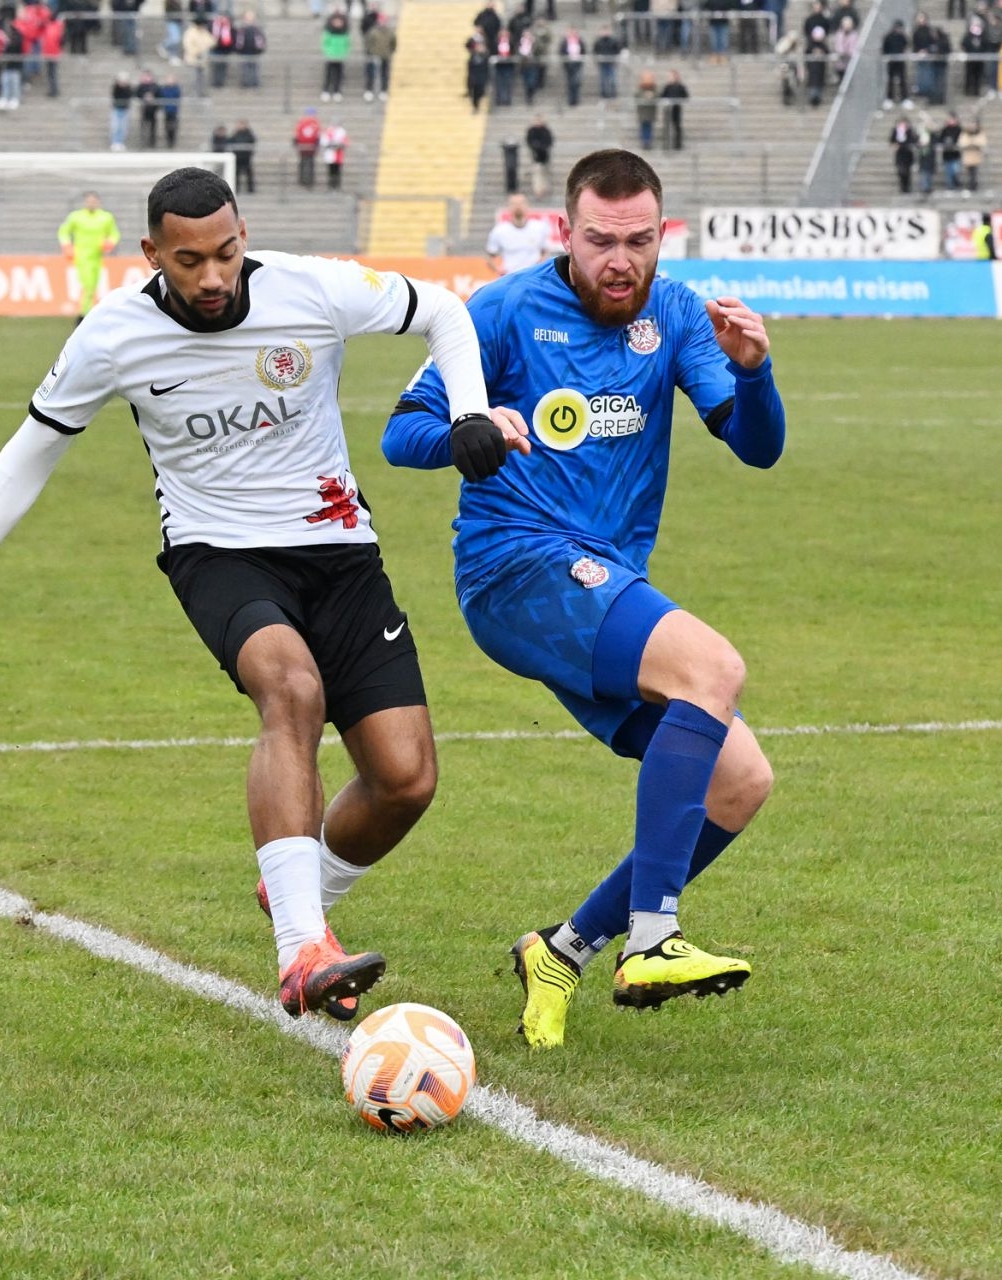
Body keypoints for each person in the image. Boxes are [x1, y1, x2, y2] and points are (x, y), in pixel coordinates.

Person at [0, 168, 500, 1022]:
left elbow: (444, 312)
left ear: (244, 237)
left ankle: (297, 891)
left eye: (226, 253)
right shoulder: (113, 335)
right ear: (151, 253)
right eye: (189, 261)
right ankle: (302, 950)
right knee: (292, 689)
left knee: (405, 780)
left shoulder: (312, 288)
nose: (213, 277)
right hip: (218, 555)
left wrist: (469, 412)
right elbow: (32, 450)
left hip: (340, 551)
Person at [383, 150, 785, 1050]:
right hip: (514, 567)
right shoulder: (502, 311)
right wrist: (469, 433)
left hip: (602, 581)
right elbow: (400, 433)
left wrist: (755, 372)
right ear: (567, 232)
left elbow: (757, 448)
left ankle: (561, 951)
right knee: (714, 667)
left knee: (739, 779)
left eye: (639, 241)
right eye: (602, 240)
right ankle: (653, 937)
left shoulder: (676, 313)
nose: (621, 260)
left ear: (662, 235)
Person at [58, 190, 120, 318]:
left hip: (97, 257)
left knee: (93, 286)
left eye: (94, 201)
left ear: (98, 202)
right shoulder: (76, 217)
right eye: (89, 201)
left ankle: (86, 313)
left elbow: (114, 233)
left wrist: (110, 242)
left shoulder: (106, 217)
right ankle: (83, 315)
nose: (91, 203)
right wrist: (67, 245)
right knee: (88, 285)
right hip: (82, 256)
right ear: (85, 202)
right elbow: (63, 231)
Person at [486, 192, 552, 274]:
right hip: (511, 276)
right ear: (508, 207)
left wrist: (540, 265)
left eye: (521, 203)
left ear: (527, 205)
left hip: (532, 276)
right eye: (514, 204)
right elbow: (490, 256)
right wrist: (498, 270)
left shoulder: (539, 228)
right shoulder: (499, 231)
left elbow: (546, 251)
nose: (518, 206)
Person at [320, 7, 349, 101]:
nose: (337, 23)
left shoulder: (344, 33)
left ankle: (337, 91)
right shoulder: (329, 32)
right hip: (331, 56)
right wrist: (328, 53)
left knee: (339, 75)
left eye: (339, 21)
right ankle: (326, 90)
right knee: (328, 74)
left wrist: (344, 53)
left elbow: (347, 44)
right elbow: (325, 43)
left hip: (340, 56)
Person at [364, 13, 393, 100]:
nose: (382, 23)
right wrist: (371, 53)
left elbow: (393, 43)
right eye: (381, 21)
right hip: (374, 55)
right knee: (371, 73)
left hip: (385, 56)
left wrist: (389, 52)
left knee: (384, 74)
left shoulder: (389, 32)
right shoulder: (373, 32)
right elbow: (368, 43)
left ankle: (383, 90)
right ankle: (369, 90)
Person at [882, 19, 910, 107]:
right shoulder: (888, 37)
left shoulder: (902, 37)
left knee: (902, 79)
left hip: (900, 61)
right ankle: (889, 98)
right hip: (891, 62)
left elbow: (906, 45)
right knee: (890, 80)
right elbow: (885, 48)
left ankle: (905, 98)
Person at [525, 114, 554, 196]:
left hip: (545, 156)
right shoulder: (532, 131)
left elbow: (549, 142)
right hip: (536, 156)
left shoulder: (546, 130)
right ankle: (537, 190)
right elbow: (529, 142)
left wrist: (543, 147)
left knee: (545, 173)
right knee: (537, 174)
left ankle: (545, 189)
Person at [661, 67, 689, 148]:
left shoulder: (680, 86)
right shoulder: (667, 86)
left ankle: (677, 144)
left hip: (676, 109)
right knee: (667, 127)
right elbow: (662, 96)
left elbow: (685, 96)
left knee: (677, 126)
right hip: (668, 109)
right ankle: (666, 144)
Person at [891, 115, 919, 192]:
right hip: (900, 155)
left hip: (908, 154)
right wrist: (895, 145)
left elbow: (914, 140)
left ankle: (907, 187)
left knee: (907, 172)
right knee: (901, 171)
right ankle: (903, 186)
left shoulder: (910, 131)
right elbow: (892, 141)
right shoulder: (896, 131)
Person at [228, 118, 257, 192]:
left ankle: (250, 189)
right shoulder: (235, 134)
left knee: (248, 174)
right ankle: (236, 188)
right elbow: (230, 141)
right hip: (238, 157)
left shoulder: (249, 134)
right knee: (236, 174)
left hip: (246, 157)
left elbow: (251, 142)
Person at [294, 108, 320, 186]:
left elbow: (317, 136)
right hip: (305, 147)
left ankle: (307, 180)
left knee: (309, 163)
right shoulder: (309, 123)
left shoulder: (314, 123)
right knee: (305, 163)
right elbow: (297, 135)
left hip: (309, 147)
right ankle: (304, 180)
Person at [962, 116, 989, 191]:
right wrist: (972, 142)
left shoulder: (980, 133)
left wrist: (973, 142)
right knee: (969, 172)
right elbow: (963, 142)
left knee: (974, 172)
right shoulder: (966, 133)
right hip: (968, 155)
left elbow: (982, 142)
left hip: (976, 156)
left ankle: (973, 185)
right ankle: (971, 185)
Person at [320, 118, 348, 189]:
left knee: (337, 171)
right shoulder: (328, 131)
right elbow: (324, 141)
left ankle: (337, 186)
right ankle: (331, 186)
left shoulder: (342, 131)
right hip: (330, 154)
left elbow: (344, 142)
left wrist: (339, 145)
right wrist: (331, 145)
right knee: (331, 171)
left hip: (338, 154)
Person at [634, 68, 659, 147]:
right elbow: (636, 95)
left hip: (650, 112)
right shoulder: (640, 88)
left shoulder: (654, 88)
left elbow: (658, 95)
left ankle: (648, 141)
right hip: (643, 112)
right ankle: (644, 141)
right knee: (643, 127)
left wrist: (652, 95)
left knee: (649, 127)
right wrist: (644, 96)